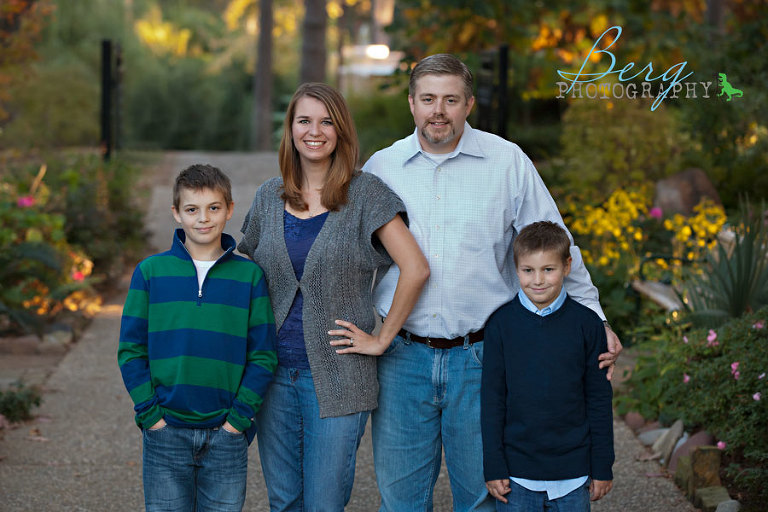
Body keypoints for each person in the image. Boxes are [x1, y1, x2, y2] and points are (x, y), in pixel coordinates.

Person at [362, 53, 622, 512]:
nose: (438, 110)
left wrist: (595, 318)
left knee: (485, 497)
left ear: (469, 104)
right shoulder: (382, 168)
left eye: (450, 100)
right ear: (412, 103)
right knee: (400, 501)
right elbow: (354, 257)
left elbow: (554, 244)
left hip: (483, 359)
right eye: (428, 99)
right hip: (402, 359)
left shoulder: (506, 162)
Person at [238, 82, 429, 511]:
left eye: (327, 122)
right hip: (272, 375)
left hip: (340, 376)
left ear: (341, 130)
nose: (315, 131)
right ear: (290, 129)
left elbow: (416, 269)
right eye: (304, 121)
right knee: (284, 501)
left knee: (324, 503)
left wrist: (381, 339)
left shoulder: (366, 194)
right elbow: (244, 273)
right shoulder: (269, 196)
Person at [118, 164, 278, 511]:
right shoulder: (150, 273)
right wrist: (151, 417)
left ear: (229, 209)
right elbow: (131, 351)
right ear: (176, 213)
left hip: (227, 434)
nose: (203, 219)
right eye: (192, 209)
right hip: (165, 432)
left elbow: (263, 356)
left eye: (213, 208)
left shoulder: (249, 277)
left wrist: (237, 421)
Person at [481, 221, 614, 511]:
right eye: (528, 270)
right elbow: (492, 400)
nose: (538, 280)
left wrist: (602, 465)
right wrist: (493, 465)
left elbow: (599, 399)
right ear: (516, 269)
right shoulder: (500, 325)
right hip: (516, 476)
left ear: (567, 266)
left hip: (573, 474)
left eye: (548, 269)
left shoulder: (588, 325)